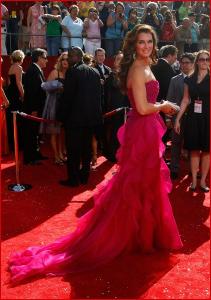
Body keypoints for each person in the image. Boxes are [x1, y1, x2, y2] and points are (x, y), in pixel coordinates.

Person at [8, 25, 182, 285]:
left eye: (149, 41)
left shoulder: (146, 65)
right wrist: (165, 105)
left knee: (144, 184)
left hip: (145, 129)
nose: (146, 46)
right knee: (134, 184)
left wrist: (159, 109)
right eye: (141, 42)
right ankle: (122, 234)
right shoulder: (136, 68)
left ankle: (142, 234)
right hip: (142, 129)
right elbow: (144, 107)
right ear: (134, 44)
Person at [59, 47, 103, 187]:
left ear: (77, 57)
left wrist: (61, 116)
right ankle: (84, 177)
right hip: (90, 120)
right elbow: (98, 98)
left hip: (75, 120)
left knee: (73, 151)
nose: (69, 59)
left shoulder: (72, 72)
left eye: (70, 56)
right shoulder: (95, 71)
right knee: (86, 150)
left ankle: (73, 179)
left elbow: (68, 98)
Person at [174, 50, 210, 192]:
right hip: (193, 118)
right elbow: (185, 100)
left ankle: (203, 181)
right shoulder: (189, 78)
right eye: (202, 59)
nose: (205, 62)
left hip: (208, 117)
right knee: (194, 149)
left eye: (207, 59)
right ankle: (194, 181)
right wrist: (178, 119)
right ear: (197, 61)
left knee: (207, 151)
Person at [166, 53, 195, 179]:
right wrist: (168, 118)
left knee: (193, 144)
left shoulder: (197, 79)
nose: (185, 65)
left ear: (193, 64)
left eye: (187, 62)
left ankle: (193, 170)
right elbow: (169, 99)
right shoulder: (174, 80)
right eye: (182, 62)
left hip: (194, 118)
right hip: (177, 117)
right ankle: (174, 168)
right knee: (176, 143)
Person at [40, 52, 68, 165]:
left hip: (65, 106)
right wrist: (56, 86)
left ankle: (61, 153)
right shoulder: (54, 72)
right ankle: (56, 156)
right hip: (54, 105)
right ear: (60, 61)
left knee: (62, 132)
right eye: (63, 59)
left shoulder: (70, 73)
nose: (65, 61)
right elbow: (44, 86)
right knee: (54, 132)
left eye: (67, 59)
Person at [22, 48, 48, 165]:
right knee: (31, 133)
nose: (47, 61)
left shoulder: (37, 70)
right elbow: (32, 92)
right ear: (39, 58)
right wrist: (34, 109)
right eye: (45, 58)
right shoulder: (33, 71)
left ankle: (36, 154)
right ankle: (30, 157)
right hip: (33, 109)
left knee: (35, 133)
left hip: (37, 108)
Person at [6, 50, 25, 151]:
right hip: (16, 95)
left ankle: (12, 143)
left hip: (10, 93)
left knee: (11, 119)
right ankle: (18, 144)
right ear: (21, 58)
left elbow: (9, 83)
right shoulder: (18, 67)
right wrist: (23, 95)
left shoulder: (11, 67)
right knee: (18, 118)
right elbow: (19, 83)